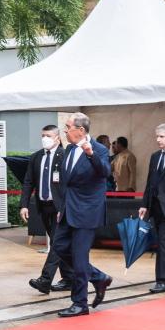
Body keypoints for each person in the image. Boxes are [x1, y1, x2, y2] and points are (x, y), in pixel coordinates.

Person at [52, 112, 113, 318]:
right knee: (60, 247)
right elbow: (66, 183)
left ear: (81, 130)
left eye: (68, 126)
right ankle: (98, 276)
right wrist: (62, 208)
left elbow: (105, 172)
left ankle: (80, 303)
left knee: (79, 258)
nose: (65, 130)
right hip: (69, 210)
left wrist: (90, 154)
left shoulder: (99, 150)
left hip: (87, 212)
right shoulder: (69, 149)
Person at [22, 125, 72, 296]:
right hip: (44, 207)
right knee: (61, 244)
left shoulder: (65, 156)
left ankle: (45, 280)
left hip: (60, 208)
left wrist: (64, 207)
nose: (45, 138)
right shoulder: (36, 157)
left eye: (48, 135)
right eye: (43, 135)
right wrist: (24, 205)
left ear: (57, 138)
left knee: (57, 244)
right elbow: (28, 182)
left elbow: (69, 186)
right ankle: (69, 278)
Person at [138, 123, 165, 294]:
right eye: (157, 136)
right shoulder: (155, 157)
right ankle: (162, 279)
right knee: (162, 244)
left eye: (162, 136)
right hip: (157, 208)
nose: (158, 140)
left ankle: (162, 280)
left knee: (163, 244)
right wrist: (144, 204)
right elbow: (150, 183)